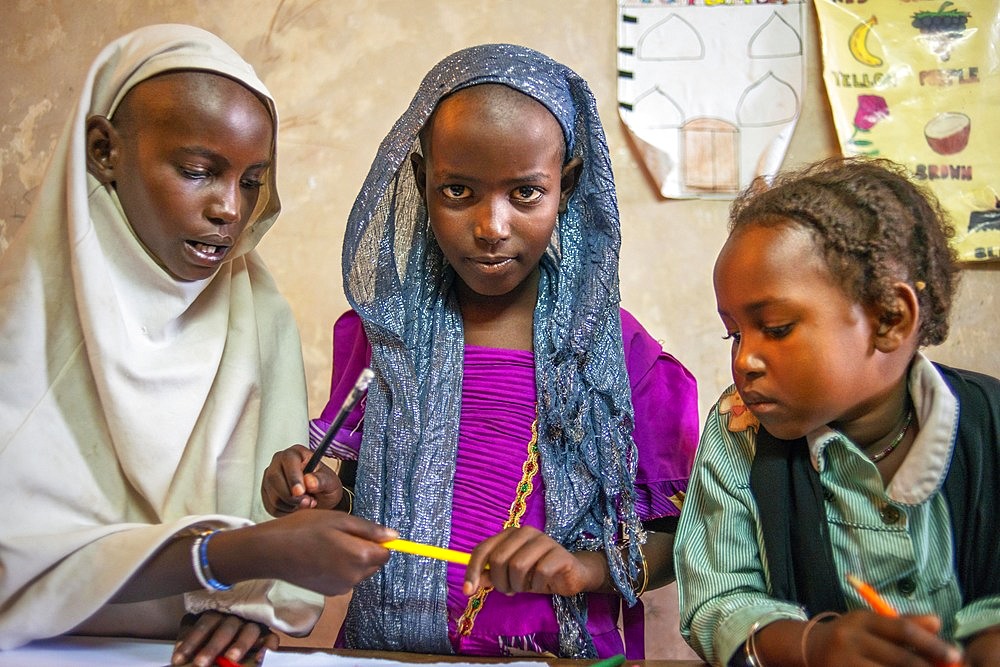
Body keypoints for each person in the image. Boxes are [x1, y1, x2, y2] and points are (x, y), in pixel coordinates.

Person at [261, 44, 699, 659]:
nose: (491, 226)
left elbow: (682, 543)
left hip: (554, 658)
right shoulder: (380, 336)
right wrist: (323, 493)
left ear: (566, 188)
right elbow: (366, 491)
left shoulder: (622, 362)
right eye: (459, 190)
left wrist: (583, 568)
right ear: (421, 182)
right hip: (393, 654)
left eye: (525, 193)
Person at [0, 24, 396, 667]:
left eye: (250, 181)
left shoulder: (258, 312)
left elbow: (271, 542)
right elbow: (18, 558)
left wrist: (253, 597)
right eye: (197, 171)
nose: (229, 210)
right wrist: (238, 554)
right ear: (104, 150)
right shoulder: (24, 317)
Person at [674, 156, 1000, 666]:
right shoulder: (739, 432)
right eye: (734, 333)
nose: (744, 360)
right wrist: (814, 645)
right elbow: (717, 601)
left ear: (889, 319)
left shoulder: (992, 425)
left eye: (776, 327)